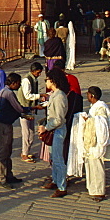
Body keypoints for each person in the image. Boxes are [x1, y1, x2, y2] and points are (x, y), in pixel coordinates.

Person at [70, 86, 110, 201]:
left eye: (88, 94)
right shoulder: (94, 107)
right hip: (90, 141)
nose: (87, 96)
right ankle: (92, 188)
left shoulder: (101, 108)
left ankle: (99, 191)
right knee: (90, 166)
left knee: (97, 167)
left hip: (96, 142)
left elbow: (101, 123)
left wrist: (88, 120)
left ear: (92, 96)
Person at [38, 69, 70, 198]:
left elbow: (59, 119)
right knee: (53, 158)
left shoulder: (60, 96)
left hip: (58, 129)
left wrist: (46, 128)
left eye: (47, 80)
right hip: (53, 129)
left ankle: (62, 186)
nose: (46, 82)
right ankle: (55, 180)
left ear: (53, 81)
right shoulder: (54, 95)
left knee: (58, 159)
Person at [0, 73, 26, 189]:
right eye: (18, 83)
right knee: (3, 151)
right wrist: (31, 109)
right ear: (13, 83)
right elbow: (19, 108)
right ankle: (1, 177)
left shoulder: (3, 91)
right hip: (3, 125)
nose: (19, 85)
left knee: (8, 150)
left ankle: (8, 174)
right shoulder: (9, 93)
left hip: (3, 124)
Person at [17, 62, 45, 163]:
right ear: (33, 71)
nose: (39, 74)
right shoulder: (26, 80)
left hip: (30, 108)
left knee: (31, 132)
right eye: (38, 72)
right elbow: (27, 95)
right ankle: (24, 153)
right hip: (25, 109)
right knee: (26, 132)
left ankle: (27, 150)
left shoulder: (33, 79)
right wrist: (39, 95)